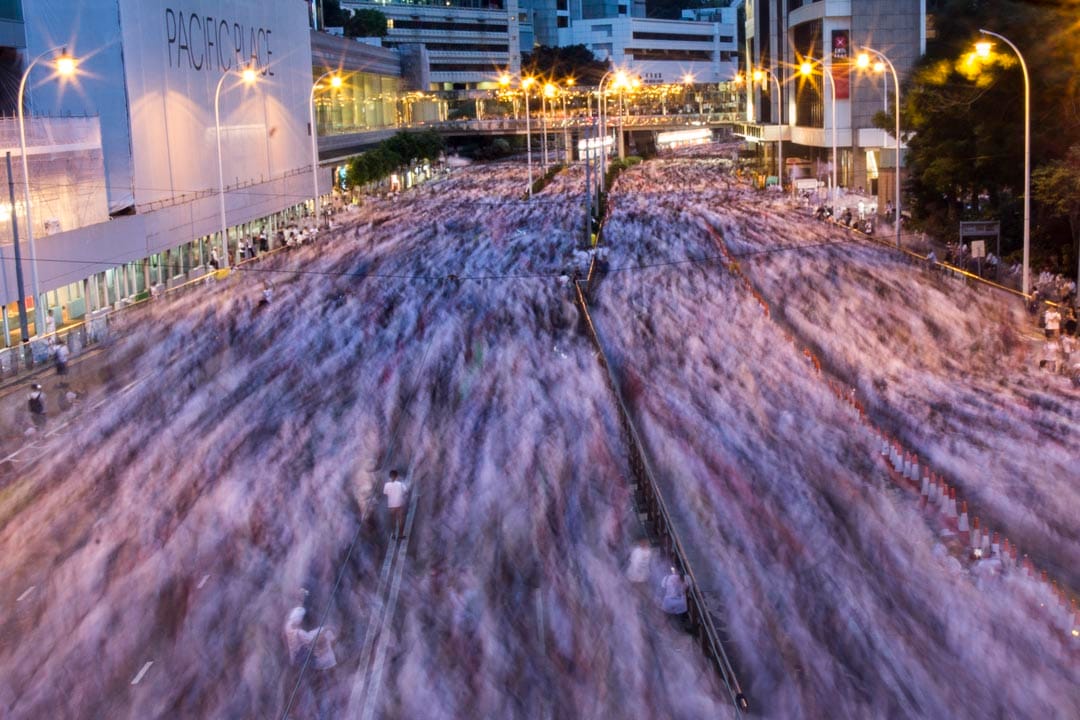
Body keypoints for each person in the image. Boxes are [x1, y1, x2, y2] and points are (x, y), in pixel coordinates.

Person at [383, 470, 408, 539]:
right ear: (397, 476)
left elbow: (385, 493)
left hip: (391, 505)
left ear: (390, 477)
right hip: (399, 504)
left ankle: (393, 534)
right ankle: (400, 534)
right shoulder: (400, 484)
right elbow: (406, 492)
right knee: (400, 519)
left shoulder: (387, 485)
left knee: (393, 520)